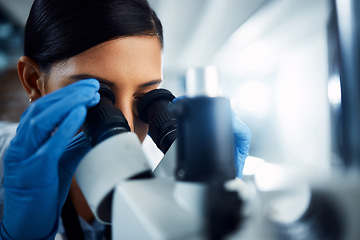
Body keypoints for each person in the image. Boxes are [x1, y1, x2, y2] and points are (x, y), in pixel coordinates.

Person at [0, 0, 251, 239]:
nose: (128, 128)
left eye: (145, 98)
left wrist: (217, 213)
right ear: (34, 81)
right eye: (99, 99)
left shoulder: (168, 173)